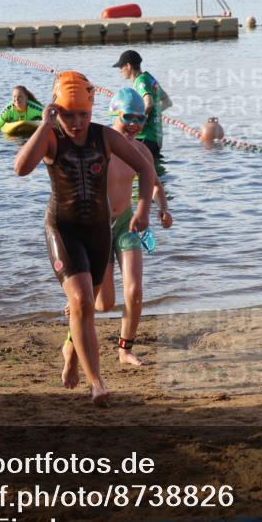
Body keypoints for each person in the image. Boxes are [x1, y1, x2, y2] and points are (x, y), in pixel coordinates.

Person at [14, 71, 155, 405]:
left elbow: (146, 168)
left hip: (97, 232)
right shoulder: (51, 137)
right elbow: (20, 168)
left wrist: (145, 210)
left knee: (88, 308)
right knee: (80, 301)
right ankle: (97, 383)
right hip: (63, 228)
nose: (76, 123)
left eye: (83, 114)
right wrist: (44, 126)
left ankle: (71, 350)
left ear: (93, 112)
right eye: (67, 114)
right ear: (55, 110)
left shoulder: (104, 137)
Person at [88, 88, 171, 365]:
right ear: (114, 113)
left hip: (127, 223)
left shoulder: (141, 150)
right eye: (128, 117)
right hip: (98, 227)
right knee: (104, 303)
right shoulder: (98, 145)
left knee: (135, 290)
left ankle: (125, 350)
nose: (135, 124)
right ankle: (79, 301)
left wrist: (162, 208)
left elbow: (156, 185)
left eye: (141, 119)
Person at [113, 50, 172, 159]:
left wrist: (138, 123)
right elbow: (167, 102)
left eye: (121, 67)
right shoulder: (150, 78)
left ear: (128, 66)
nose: (120, 70)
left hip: (144, 137)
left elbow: (148, 103)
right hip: (156, 138)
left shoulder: (140, 81)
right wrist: (153, 114)